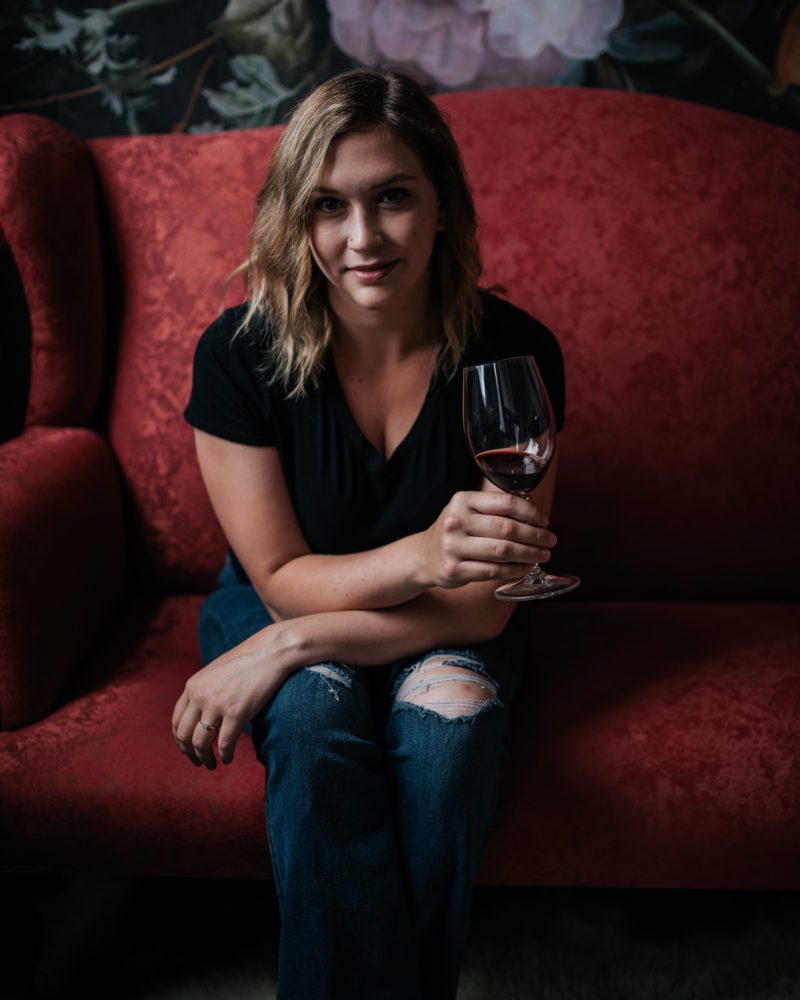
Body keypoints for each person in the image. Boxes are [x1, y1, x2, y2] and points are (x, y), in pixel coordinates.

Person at [173, 67, 566, 1000]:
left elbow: (483, 606)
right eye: (329, 206)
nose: (362, 238)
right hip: (282, 598)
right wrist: (417, 559)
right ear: (295, 218)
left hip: (432, 618)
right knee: (312, 721)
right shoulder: (237, 355)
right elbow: (277, 578)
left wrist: (296, 641)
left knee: (450, 734)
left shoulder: (515, 353)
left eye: (392, 197)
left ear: (441, 205)